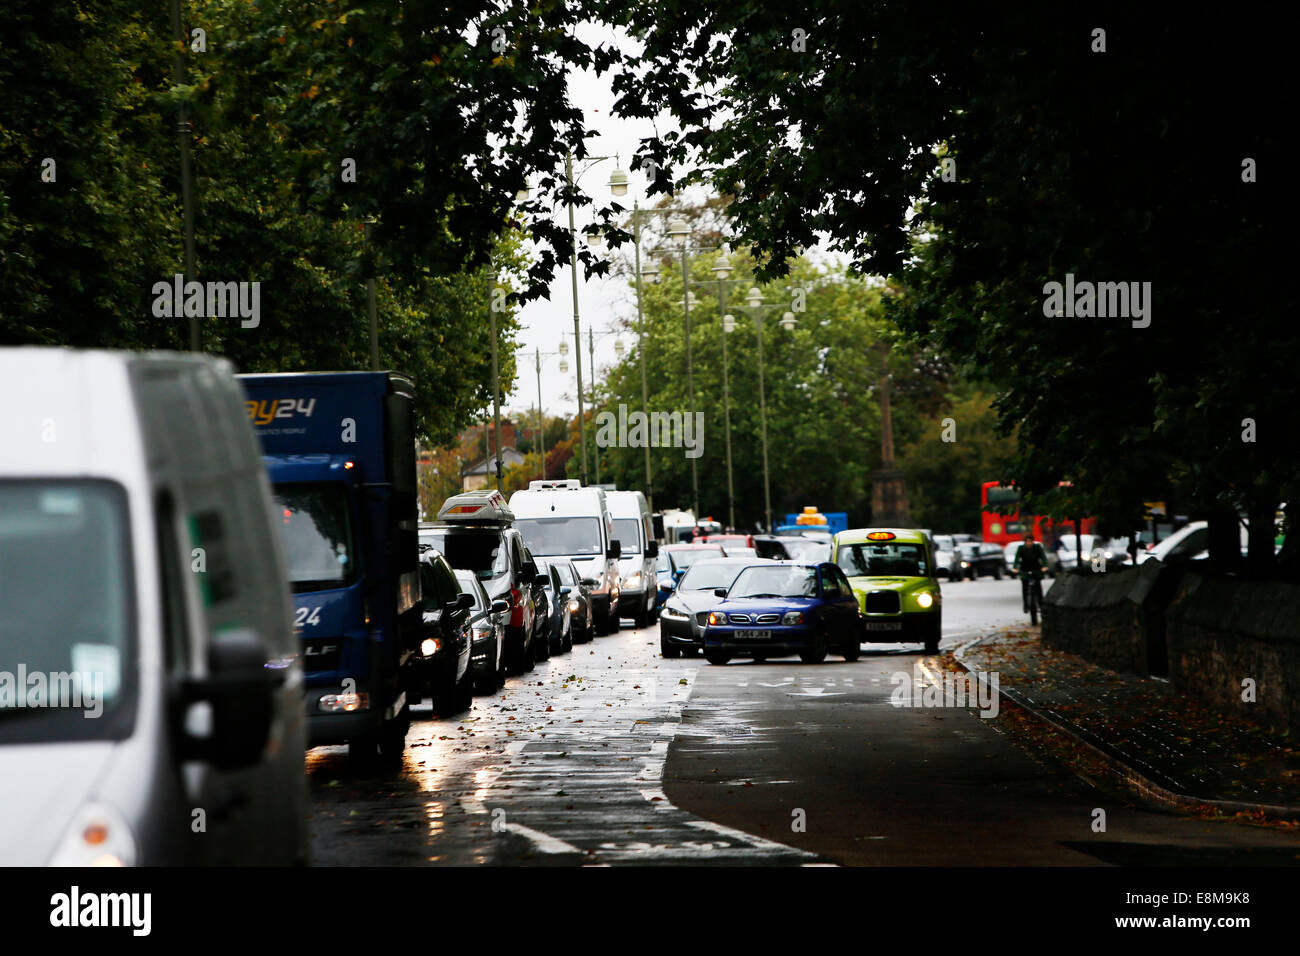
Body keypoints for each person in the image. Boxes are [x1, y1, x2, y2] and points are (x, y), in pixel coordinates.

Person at [1012, 532, 1048, 613]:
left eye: (1030, 541)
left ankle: (1040, 604)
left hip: (1036, 569)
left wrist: (1045, 566)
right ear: (1025, 542)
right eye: (1027, 542)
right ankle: (1026, 605)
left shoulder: (1037, 547)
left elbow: (1043, 557)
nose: (1029, 543)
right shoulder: (1021, 548)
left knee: (1038, 587)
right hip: (1025, 569)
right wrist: (1015, 568)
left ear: (1033, 541)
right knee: (1025, 588)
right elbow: (1017, 559)